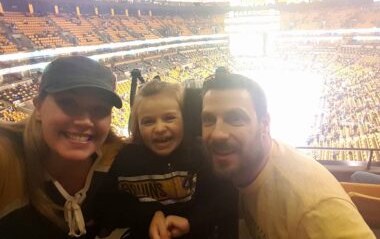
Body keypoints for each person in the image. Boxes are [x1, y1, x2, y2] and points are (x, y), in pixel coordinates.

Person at [200, 72, 376, 239]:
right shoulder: (246, 164)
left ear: (265, 124)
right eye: (208, 119)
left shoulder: (314, 208)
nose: (217, 134)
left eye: (235, 119)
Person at [0, 55, 125, 238]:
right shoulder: (7, 157)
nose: (84, 121)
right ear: (39, 107)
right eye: (68, 103)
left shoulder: (116, 157)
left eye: (100, 109)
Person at [97, 80, 237, 239]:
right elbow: (109, 205)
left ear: (185, 120)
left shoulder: (200, 155)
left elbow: (221, 201)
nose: (159, 128)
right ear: (137, 126)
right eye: (148, 121)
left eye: (169, 118)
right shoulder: (124, 160)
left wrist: (190, 222)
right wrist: (149, 216)